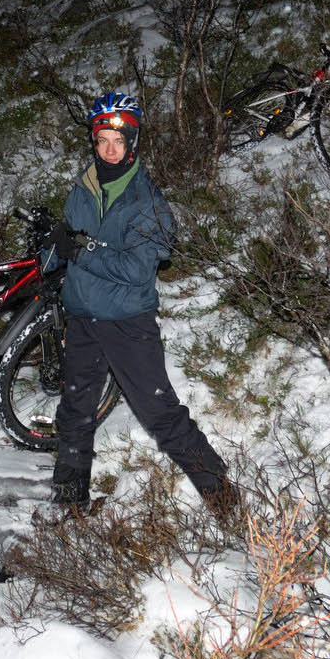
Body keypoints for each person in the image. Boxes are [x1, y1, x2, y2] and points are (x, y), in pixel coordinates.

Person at [50, 92, 242, 528]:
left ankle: (226, 501)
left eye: (119, 140)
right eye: (103, 140)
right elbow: (68, 246)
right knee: (75, 410)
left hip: (126, 324)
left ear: (132, 142)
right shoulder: (83, 188)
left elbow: (136, 271)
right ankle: (68, 508)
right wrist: (53, 248)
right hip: (83, 319)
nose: (110, 149)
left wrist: (81, 251)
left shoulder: (147, 202)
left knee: (161, 414)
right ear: (94, 143)